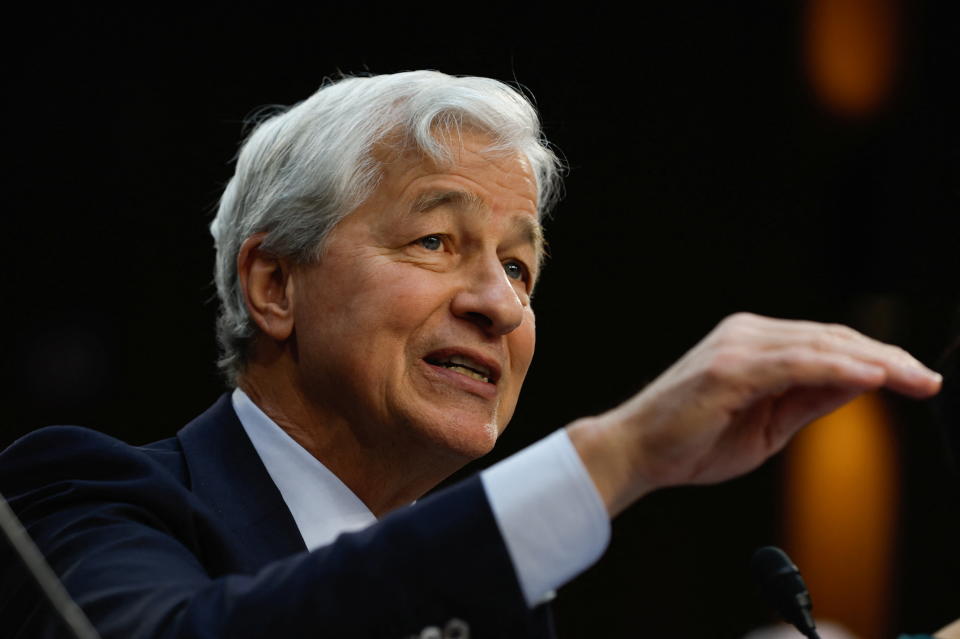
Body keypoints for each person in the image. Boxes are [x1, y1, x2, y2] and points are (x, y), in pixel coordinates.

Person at [0, 71, 942, 638]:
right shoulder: (80, 494)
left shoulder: (494, 597)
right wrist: (616, 454)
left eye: (522, 267)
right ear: (274, 286)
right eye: (435, 242)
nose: (500, 303)